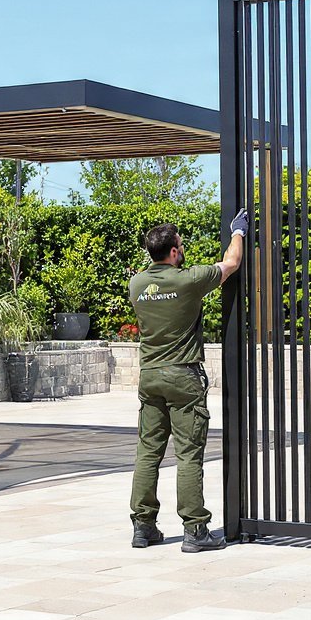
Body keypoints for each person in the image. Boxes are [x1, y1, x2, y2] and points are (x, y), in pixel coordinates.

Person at [128, 211, 247, 552]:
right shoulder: (189, 280)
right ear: (173, 251)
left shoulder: (137, 284)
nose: (183, 249)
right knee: (188, 454)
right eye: (180, 245)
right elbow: (232, 262)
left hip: (150, 376)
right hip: (183, 377)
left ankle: (143, 527)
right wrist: (237, 232)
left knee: (148, 452)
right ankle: (195, 530)